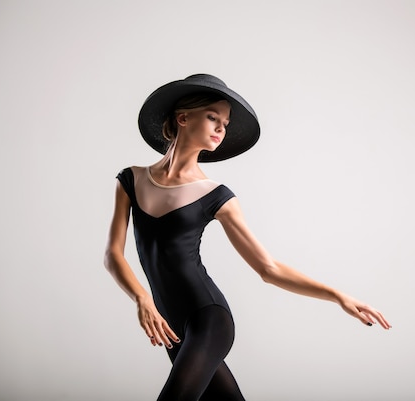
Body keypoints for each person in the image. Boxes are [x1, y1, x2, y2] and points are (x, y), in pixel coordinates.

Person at [104, 74, 391, 400]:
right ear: (183, 117)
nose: (221, 128)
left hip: (208, 319)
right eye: (213, 117)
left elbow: (268, 269)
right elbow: (113, 255)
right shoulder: (131, 179)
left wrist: (338, 295)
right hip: (171, 327)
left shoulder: (216, 195)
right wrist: (142, 298)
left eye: (225, 123)